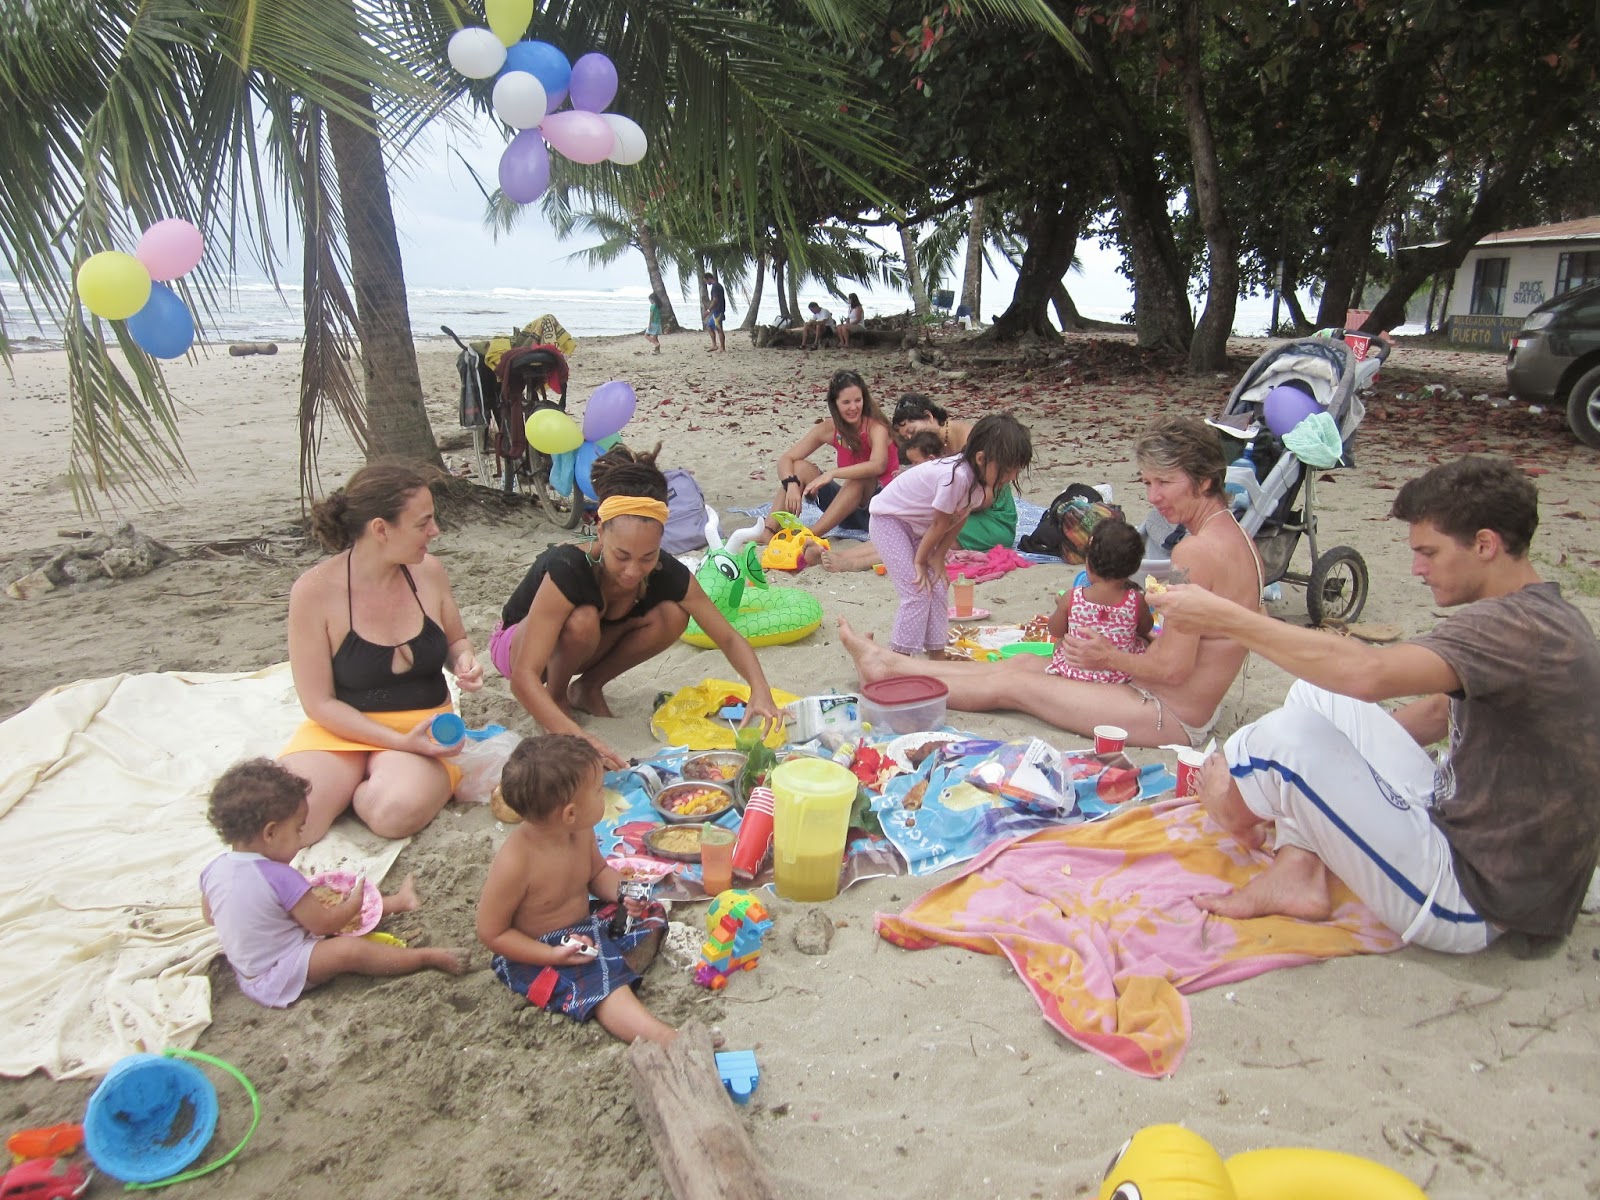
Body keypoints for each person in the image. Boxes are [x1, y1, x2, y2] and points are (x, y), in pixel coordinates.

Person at [1150, 456, 1600, 952]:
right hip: (1485, 841)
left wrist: (1231, 618)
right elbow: (1434, 714)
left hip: (1479, 895)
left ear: (1485, 544)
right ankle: (1296, 871)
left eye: (1429, 552)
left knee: (1281, 739)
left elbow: (1367, 673)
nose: (1416, 569)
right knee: (1316, 700)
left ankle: (1232, 812)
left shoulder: (1514, 628)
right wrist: (1349, 773)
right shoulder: (1542, 614)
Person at [840, 415, 1263, 747]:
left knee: (1017, 685)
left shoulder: (1196, 551)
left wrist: (1108, 656)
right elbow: (1204, 641)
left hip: (1168, 713)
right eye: (1148, 482)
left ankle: (889, 671)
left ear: (1204, 480)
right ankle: (898, 665)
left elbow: (1173, 669)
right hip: (1176, 698)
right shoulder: (1239, 538)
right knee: (1023, 664)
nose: (1152, 497)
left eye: (1164, 483)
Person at [490, 444, 781, 769]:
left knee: (673, 614)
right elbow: (523, 677)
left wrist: (760, 689)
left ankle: (587, 687)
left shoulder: (665, 571)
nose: (632, 571)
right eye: (622, 556)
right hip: (517, 649)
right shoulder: (569, 566)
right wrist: (579, 738)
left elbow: (727, 636)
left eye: (647, 557)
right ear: (601, 531)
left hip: (588, 643)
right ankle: (557, 697)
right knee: (583, 618)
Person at [281, 462, 484, 844]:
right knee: (290, 820)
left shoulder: (430, 573)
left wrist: (463, 661)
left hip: (423, 728)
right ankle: (349, 782)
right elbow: (318, 703)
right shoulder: (314, 592)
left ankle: (363, 786)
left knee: (394, 814)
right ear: (380, 529)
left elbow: (456, 640)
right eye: (423, 523)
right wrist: (392, 744)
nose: (435, 531)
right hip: (341, 728)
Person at [200, 759, 469, 1008]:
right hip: (280, 972)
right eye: (298, 829)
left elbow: (210, 917)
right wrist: (353, 904)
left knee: (316, 902)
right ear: (270, 832)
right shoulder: (280, 877)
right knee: (347, 950)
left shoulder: (212, 869)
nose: (301, 836)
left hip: (246, 973)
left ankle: (398, 902)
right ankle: (426, 957)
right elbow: (325, 925)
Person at [477, 735, 679, 1045]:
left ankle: (620, 962)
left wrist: (622, 892)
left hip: (584, 928)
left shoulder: (579, 831)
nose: (604, 794)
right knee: (600, 980)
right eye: (599, 791)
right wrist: (552, 954)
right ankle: (664, 1037)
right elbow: (492, 933)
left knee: (647, 909)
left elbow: (597, 873)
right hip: (538, 950)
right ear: (570, 813)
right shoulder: (517, 861)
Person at [867, 412, 1033, 658]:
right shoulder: (955, 477)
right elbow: (938, 523)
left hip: (915, 526)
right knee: (917, 591)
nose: (1011, 478)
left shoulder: (978, 485)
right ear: (981, 458)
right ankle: (898, 659)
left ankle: (936, 654)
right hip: (888, 519)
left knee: (938, 586)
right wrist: (921, 561)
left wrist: (938, 557)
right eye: (1008, 470)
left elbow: (958, 519)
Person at [822, 397, 1017, 573]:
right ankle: (842, 556)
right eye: (906, 438)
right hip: (962, 510)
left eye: (912, 432)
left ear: (929, 417)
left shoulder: (970, 440)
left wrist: (943, 505)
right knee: (908, 527)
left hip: (989, 517)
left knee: (922, 536)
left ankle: (852, 563)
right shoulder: (935, 448)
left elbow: (985, 496)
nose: (911, 439)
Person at [766, 369, 896, 542]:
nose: (853, 407)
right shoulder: (831, 428)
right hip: (847, 510)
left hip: (877, 510)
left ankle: (810, 535)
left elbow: (877, 465)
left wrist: (833, 473)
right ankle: (768, 531)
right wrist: (790, 484)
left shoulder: (876, 428)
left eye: (858, 400)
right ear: (835, 404)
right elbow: (786, 459)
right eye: (846, 402)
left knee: (859, 478)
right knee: (799, 467)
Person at [1047, 517, 1152, 684]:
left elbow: (1055, 630)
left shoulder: (1072, 597)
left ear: (1089, 562)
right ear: (1135, 567)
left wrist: (1063, 608)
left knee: (1061, 642)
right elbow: (1146, 627)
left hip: (1076, 671)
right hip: (1121, 674)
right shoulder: (1136, 600)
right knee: (1145, 642)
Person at [703, 271, 726, 353]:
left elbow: (715, 300)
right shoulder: (718, 286)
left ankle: (722, 347)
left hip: (718, 310)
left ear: (709, 278)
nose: (706, 283)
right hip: (718, 310)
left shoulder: (715, 287)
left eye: (706, 281)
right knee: (710, 326)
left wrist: (709, 310)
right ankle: (715, 345)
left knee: (719, 329)